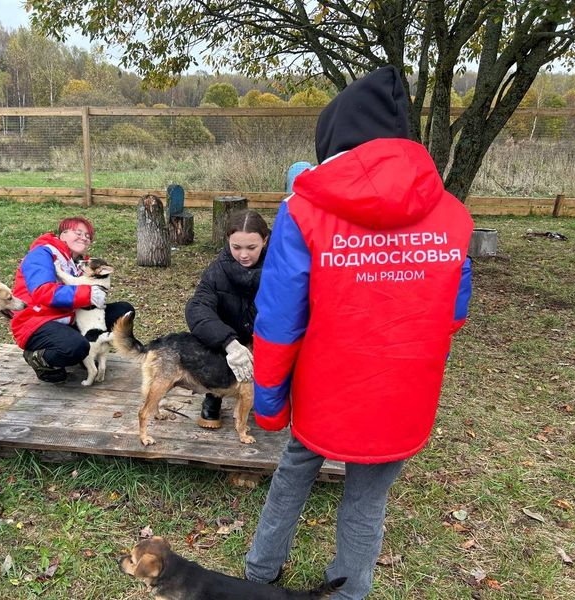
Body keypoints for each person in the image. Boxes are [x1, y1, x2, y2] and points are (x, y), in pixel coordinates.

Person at [244, 66, 474, 599]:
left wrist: (272, 404)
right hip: (402, 395)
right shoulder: (454, 216)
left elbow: (278, 324)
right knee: (368, 503)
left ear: (333, 142)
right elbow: (453, 313)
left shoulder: (302, 214)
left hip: (326, 389)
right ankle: (349, 593)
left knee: (294, 473)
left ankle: (261, 573)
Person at [12, 217, 134, 383]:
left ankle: (87, 353)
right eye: (78, 233)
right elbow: (43, 292)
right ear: (63, 234)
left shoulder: (78, 262)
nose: (84, 237)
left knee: (123, 311)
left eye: (88, 236)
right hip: (36, 321)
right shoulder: (41, 254)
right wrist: (87, 294)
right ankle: (39, 358)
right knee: (75, 346)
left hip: (69, 318)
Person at [185, 209, 269, 428]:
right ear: (228, 242)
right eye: (236, 247)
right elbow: (198, 307)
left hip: (264, 339)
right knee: (209, 341)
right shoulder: (216, 271)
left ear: (265, 240)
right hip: (226, 342)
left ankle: (266, 395)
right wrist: (228, 343)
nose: (243, 255)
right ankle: (214, 394)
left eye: (252, 247)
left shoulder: (278, 268)